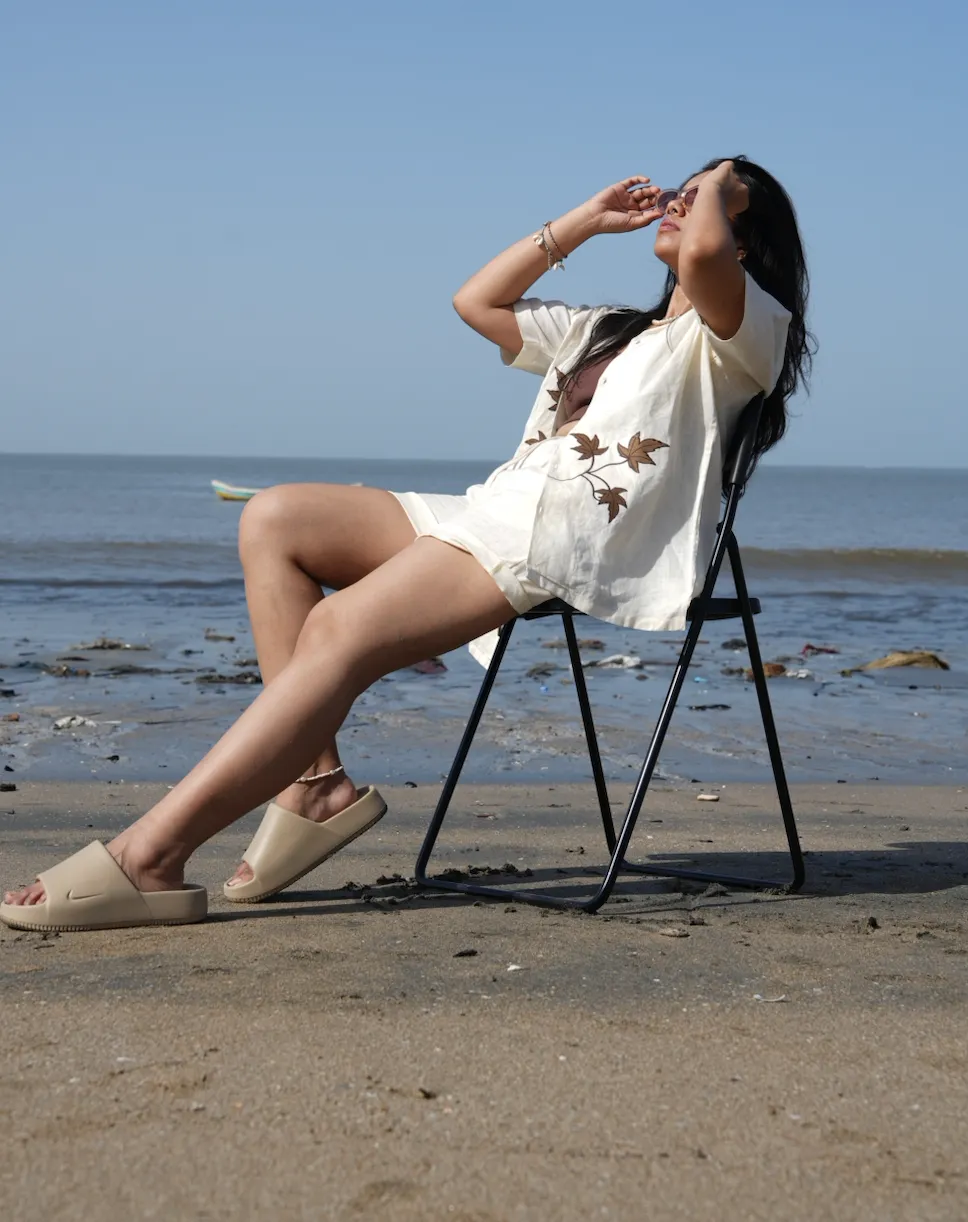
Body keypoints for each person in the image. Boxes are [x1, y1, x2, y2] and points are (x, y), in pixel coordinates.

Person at [1, 156, 811, 930]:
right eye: (686, 185)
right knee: (273, 519)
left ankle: (151, 854)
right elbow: (475, 302)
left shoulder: (740, 336)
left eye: (705, 194)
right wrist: (582, 224)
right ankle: (315, 785)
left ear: (743, 234)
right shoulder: (606, 327)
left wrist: (729, 182)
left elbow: (705, 249)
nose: (680, 199)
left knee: (339, 629)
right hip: (496, 509)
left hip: (560, 538)